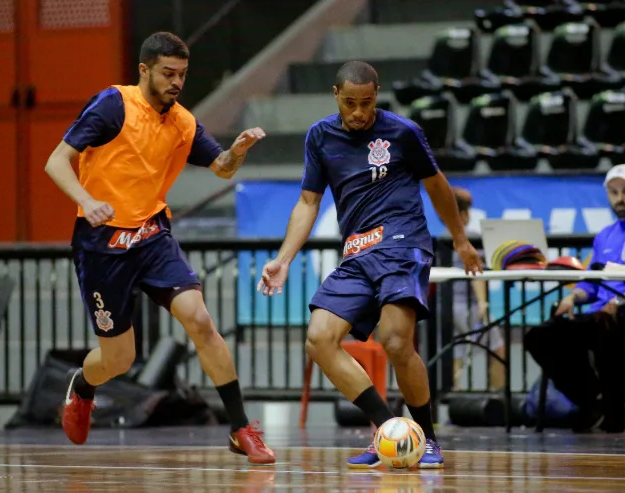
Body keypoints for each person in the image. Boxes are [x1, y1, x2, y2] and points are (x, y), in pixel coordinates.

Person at [44, 32, 275, 464]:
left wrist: (238, 151)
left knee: (200, 320)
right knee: (119, 359)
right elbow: (56, 160)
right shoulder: (114, 104)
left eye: (182, 75)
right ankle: (83, 386)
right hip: (102, 245)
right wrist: (87, 201)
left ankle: (240, 427)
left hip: (151, 236)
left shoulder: (183, 122)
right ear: (144, 70)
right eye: (168, 73)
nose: (176, 82)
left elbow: (222, 167)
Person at [256, 60, 482, 468]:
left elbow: (437, 186)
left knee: (396, 340)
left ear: (377, 94)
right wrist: (283, 259)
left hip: (402, 242)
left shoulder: (402, 132)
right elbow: (309, 203)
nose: (358, 112)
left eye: (366, 102)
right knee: (319, 338)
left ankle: (428, 439)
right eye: (349, 103)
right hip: (357, 251)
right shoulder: (320, 137)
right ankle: (391, 432)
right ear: (335, 95)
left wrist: (462, 241)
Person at [524, 164, 625, 433]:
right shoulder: (604, 236)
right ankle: (589, 398)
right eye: (614, 192)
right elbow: (591, 285)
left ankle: (613, 415)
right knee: (540, 336)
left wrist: (620, 301)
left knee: (605, 327)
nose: (620, 198)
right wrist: (572, 297)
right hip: (598, 314)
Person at [446, 188, 505, 392]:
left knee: (456, 354)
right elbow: (475, 271)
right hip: (469, 307)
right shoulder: (469, 238)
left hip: (448, 307)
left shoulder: (443, 240)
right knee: (497, 349)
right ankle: (497, 396)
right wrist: (482, 302)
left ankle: (455, 399)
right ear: (462, 215)